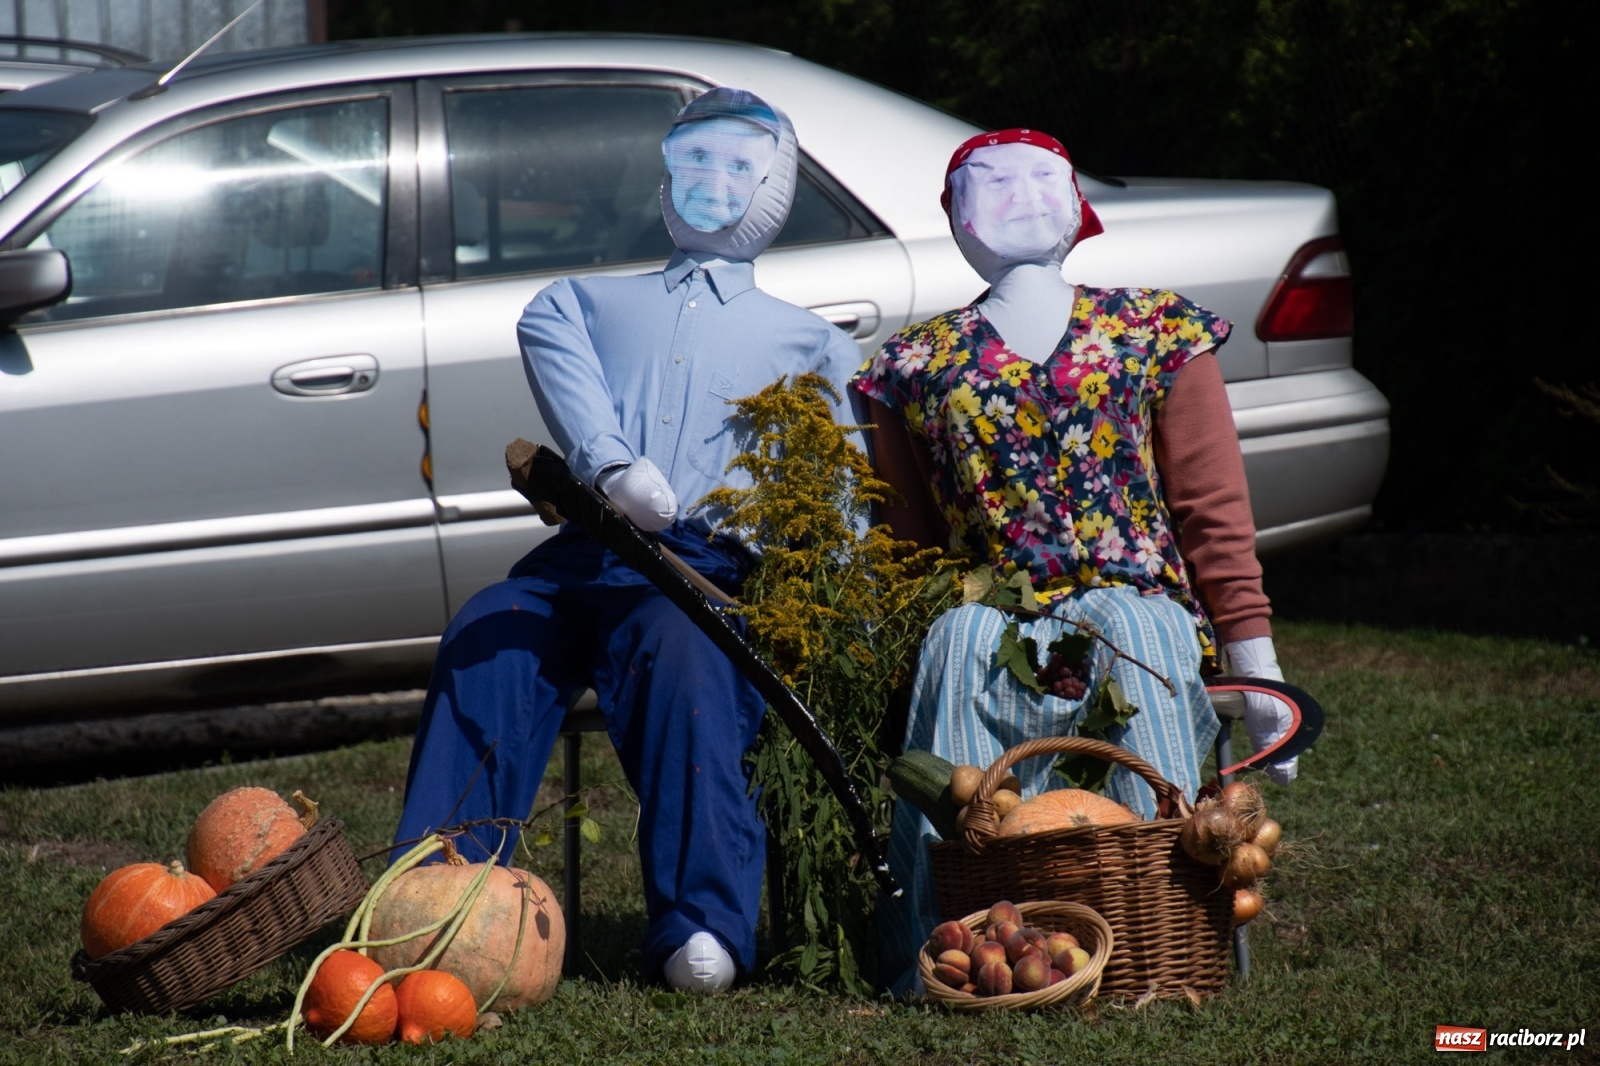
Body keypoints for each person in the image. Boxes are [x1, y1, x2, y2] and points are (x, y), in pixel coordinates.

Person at [392, 87, 864, 995]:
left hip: (704, 565)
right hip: (588, 544)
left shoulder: (811, 345)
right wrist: (608, 466)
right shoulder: (595, 302)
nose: (710, 184)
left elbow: (838, 488)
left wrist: (842, 600)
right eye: (693, 162)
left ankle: (701, 921)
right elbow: (543, 322)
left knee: (689, 661)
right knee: (490, 628)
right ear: (664, 175)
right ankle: (435, 894)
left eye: (737, 167)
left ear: (775, 184)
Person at [852, 128, 1298, 993]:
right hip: (990, 605)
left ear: (1074, 204)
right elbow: (902, 542)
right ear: (955, 216)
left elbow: (1211, 507)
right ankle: (953, 950)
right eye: (991, 179)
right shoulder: (911, 364)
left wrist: (1256, 664)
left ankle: (1160, 938)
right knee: (958, 645)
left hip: (1135, 601)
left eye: (1039, 176)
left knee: (1142, 634)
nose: (1017, 192)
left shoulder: (1157, 332)